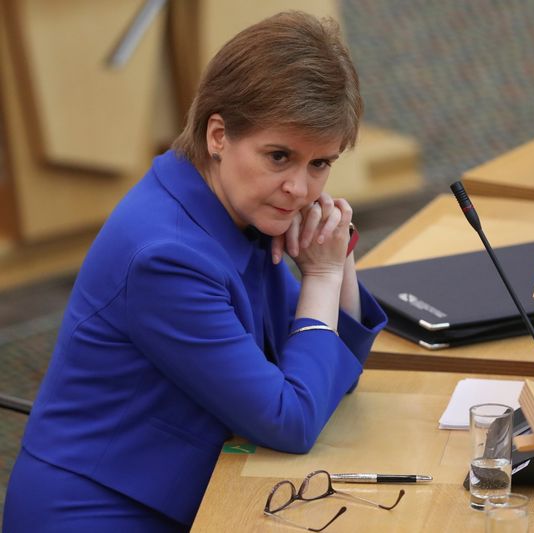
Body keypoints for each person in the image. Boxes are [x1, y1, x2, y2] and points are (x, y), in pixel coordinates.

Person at [3, 11, 386, 531]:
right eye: (280, 156)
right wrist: (319, 278)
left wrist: (339, 258)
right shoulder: (167, 256)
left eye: (320, 164)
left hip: (191, 488)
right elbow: (291, 419)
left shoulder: (235, 206)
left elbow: (327, 379)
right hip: (104, 510)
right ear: (218, 135)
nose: (301, 188)